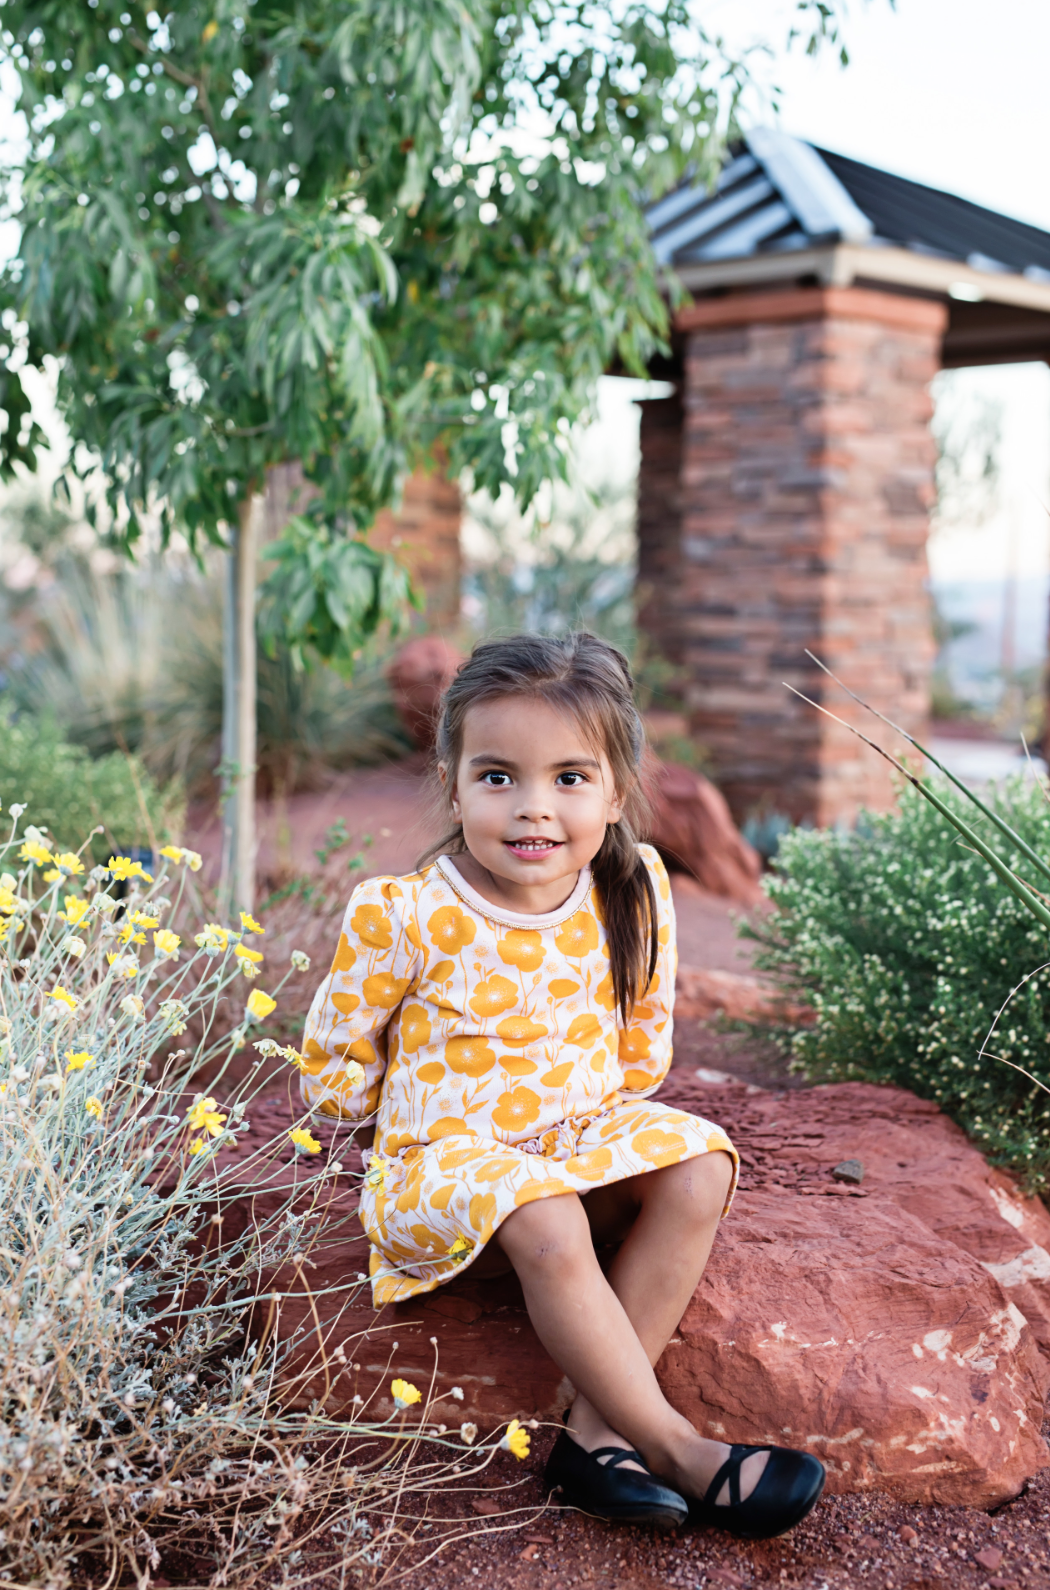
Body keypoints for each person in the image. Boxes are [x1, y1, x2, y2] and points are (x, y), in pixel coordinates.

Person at [301, 632, 824, 1537]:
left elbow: (637, 1055)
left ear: (617, 791)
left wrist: (593, 1139)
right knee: (546, 1213)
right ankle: (671, 1445)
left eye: (570, 779)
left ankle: (592, 1440)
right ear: (452, 780)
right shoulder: (406, 912)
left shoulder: (632, 891)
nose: (533, 809)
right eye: (498, 777)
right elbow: (335, 1065)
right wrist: (376, 1126)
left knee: (700, 1167)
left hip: (576, 1138)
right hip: (449, 1163)